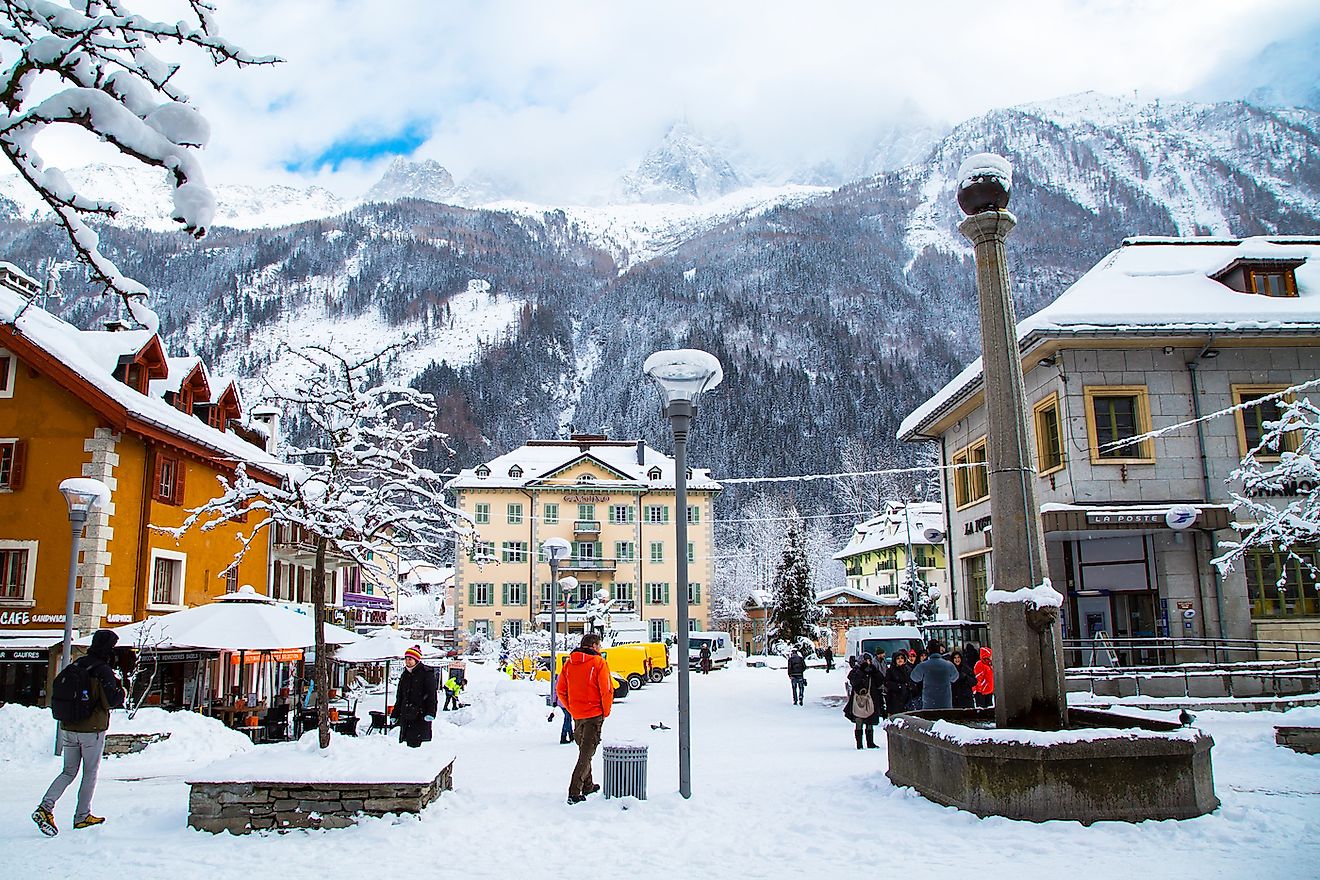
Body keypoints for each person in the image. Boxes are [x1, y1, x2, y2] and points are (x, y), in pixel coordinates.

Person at [33, 629, 126, 835]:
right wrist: (122, 690)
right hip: (91, 729)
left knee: (68, 771)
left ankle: (45, 807)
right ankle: (82, 815)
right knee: (90, 772)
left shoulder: (78, 663)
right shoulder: (103, 670)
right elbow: (112, 700)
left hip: (68, 726)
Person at [556, 633, 613, 804]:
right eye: (600, 646)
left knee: (585, 749)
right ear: (594, 646)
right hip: (593, 713)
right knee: (586, 753)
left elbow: (560, 690)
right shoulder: (599, 663)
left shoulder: (569, 663)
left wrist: (571, 707)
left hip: (577, 714)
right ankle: (574, 791)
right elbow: (607, 690)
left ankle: (588, 785)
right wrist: (605, 711)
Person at [391, 646, 437, 747]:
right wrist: (395, 713)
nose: (407, 661)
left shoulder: (426, 673)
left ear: (416, 660)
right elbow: (400, 697)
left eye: (410, 659)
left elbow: (432, 695)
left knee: (417, 745)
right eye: (406, 659)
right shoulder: (405, 675)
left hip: (420, 714)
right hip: (406, 714)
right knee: (407, 743)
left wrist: (430, 712)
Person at [844, 653, 883, 749]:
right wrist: (861, 671)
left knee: (870, 722)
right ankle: (859, 744)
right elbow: (854, 682)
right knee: (859, 721)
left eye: (869, 660)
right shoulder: (855, 671)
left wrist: (874, 671)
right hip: (858, 700)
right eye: (866, 660)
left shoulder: (872, 671)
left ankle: (870, 742)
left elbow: (880, 680)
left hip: (871, 699)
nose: (867, 662)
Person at [909, 641, 959, 711]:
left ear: (928, 650)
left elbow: (914, 677)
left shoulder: (923, 665)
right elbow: (955, 678)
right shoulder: (948, 665)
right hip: (946, 704)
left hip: (929, 704)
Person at [884, 651, 913, 719]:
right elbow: (887, 683)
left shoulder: (908, 669)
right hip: (894, 699)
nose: (900, 660)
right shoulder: (890, 670)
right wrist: (899, 686)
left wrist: (909, 686)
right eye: (898, 658)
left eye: (902, 658)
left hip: (906, 699)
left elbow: (912, 680)